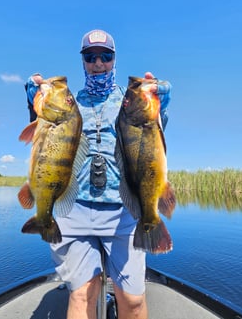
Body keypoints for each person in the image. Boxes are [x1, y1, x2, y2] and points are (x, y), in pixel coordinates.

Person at [24, 29, 172, 319]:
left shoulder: (130, 102)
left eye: (106, 56)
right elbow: (46, 145)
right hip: (74, 211)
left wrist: (159, 104)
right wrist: (34, 106)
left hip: (123, 211)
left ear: (114, 59)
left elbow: (152, 140)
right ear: (83, 62)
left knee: (132, 301)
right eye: (91, 57)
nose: (98, 63)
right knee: (81, 296)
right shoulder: (69, 103)